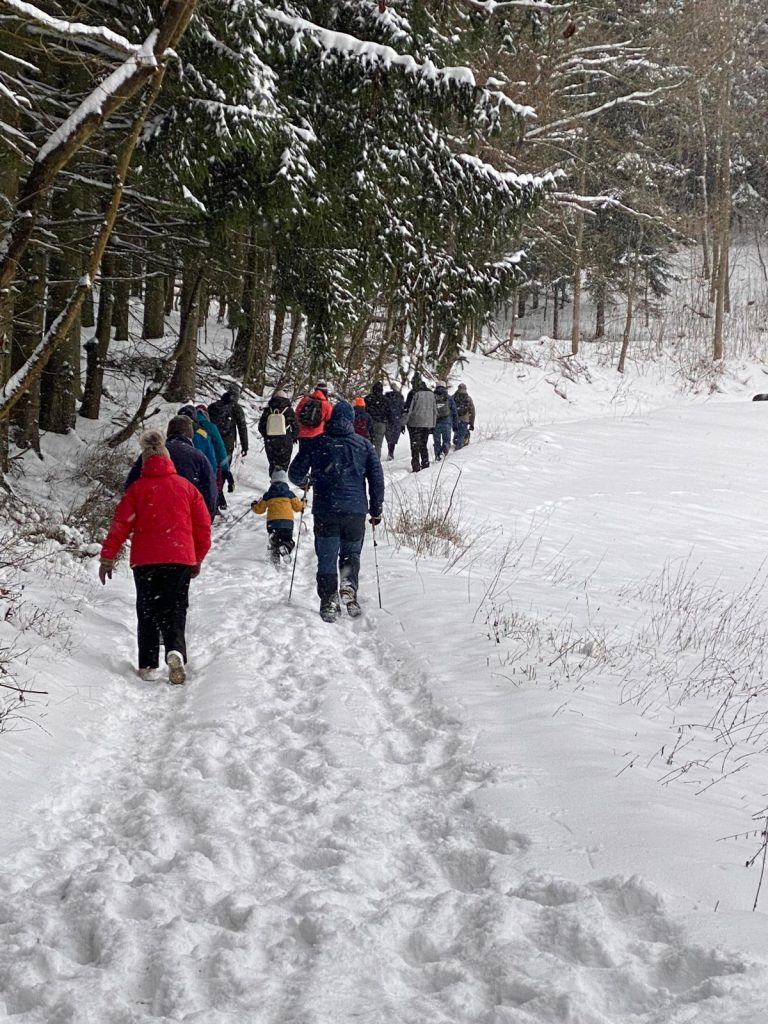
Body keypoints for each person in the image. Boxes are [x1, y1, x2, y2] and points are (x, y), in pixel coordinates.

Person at [99, 429, 211, 685]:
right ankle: (175, 650)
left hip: (146, 560)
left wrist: (107, 558)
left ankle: (148, 664)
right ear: (168, 460)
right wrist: (197, 557)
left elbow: (120, 525)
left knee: (147, 610)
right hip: (180, 558)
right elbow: (203, 527)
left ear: (144, 462)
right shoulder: (187, 488)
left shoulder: (137, 490)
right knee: (175, 608)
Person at [289, 401, 384, 622]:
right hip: (355, 511)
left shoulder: (317, 442)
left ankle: (328, 600)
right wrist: (375, 509)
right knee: (351, 553)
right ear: (351, 419)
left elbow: (294, 473)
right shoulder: (364, 445)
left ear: (331, 417)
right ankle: (348, 586)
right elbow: (376, 479)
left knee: (327, 556)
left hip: (326, 510)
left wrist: (308, 481)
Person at [124, 415, 218, 520]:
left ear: (168, 433)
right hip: (186, 519)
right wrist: (205, 518)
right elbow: (210, 491)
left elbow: (131, 485)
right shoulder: (198, 457)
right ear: (190, 434)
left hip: (151, 517)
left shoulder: (152, 453)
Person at [250, 469, 306, 565]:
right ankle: (285, 546)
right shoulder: (290, 494)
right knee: (288, 541)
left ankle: (274, 560)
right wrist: (303, 502)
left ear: (272, 481)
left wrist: (254, 505)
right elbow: (298, 507)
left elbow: (260, 509)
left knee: (274, 543)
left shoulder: (268, 495)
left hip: (273, 524)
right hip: (287, 524)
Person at [258, 390, 299, 476]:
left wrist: (267, 435)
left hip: (270, 441)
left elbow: (261, 426)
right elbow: (296, 427)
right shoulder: (289, 411)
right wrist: (291, 437)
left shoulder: (268, 410)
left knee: (273, 463)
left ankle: (273, 478)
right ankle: (280, 479)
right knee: (283, 464)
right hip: (285, 441)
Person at [208, 384, 249, 465]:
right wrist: (245, 446)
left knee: (211, 462)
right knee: (224, 465)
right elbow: (242, 428)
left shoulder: (214, 406)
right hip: (227, 442)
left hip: (212, 439)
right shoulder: (237, 409)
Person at [402, 377, 437, 473]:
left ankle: (416, 466)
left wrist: (402, 423)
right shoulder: (431, 394)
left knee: (415, 446)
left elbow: (408, 410)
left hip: (415, 423)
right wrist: (433, 424)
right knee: (423, 444)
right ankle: (425, 463)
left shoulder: (413, 393)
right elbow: (435, 410)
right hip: (427, 423)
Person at [295, 382, 333, 452]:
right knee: (314, 454)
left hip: (303, 433)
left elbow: (297, 413)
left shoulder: (305, 400)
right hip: (317, 434)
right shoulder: (326, 404)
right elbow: (329, 419)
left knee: (302, 454)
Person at [433, 381, 458, 461]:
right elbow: (454, 412)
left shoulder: (432, 397)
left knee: (437, 442)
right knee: (446, 440)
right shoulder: (449, 398)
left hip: (435, 423)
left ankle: (437, 456)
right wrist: (455, 425)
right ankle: (444, 451)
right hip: (447, 423)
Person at [364, 381, 387, 458]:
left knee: (368, 442)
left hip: (370, 422)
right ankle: (376, 459)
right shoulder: (385, 399)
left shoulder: (367, 398)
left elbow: (365, 410)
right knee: (378, 444)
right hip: (381, 423)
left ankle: (369, 459)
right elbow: (389, 412)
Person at [383, 382, 405, 461]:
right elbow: (403, 409)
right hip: (396, 420)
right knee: (394, 437)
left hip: (387, 419)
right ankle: (391, 452)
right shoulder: (400, 397)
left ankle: (390, 452)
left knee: (389, 436)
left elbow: (384, 407)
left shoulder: (386, 397)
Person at [453, 383, 476, 449]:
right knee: (461, 434)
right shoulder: (468, 398)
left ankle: (457, 441)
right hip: (464, 419)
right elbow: (472, 412)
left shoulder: (453, 397)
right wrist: (471, 423)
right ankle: (458, 449)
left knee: (457, 433)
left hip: (455, 419)